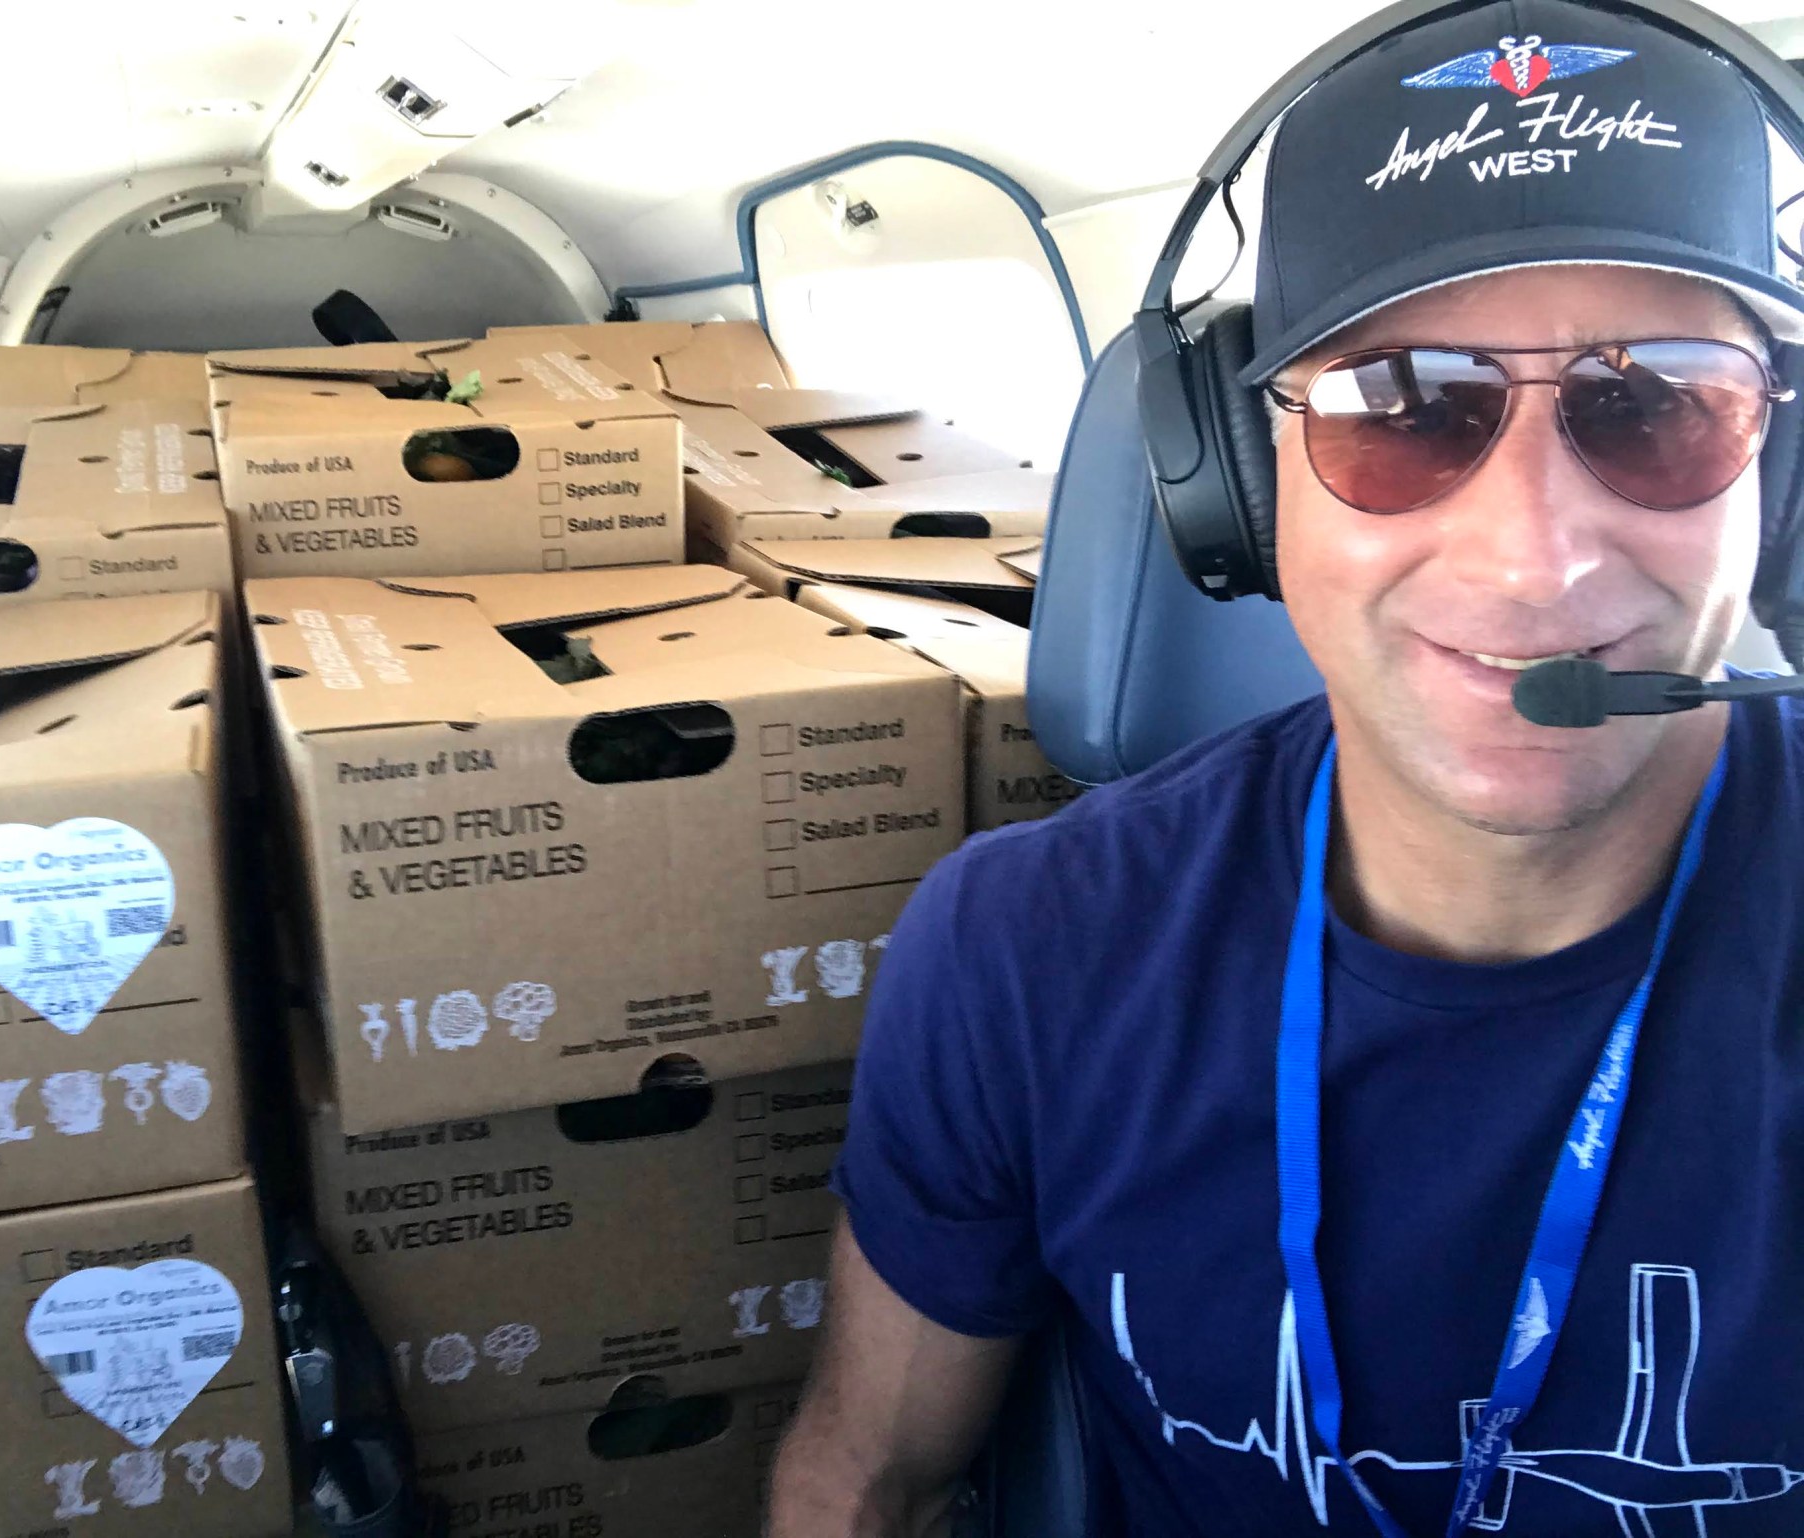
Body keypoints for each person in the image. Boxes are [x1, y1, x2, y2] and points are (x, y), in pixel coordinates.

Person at [768, 3, 1804, 1535]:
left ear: (1776, 480)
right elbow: (870, 1481)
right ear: (1236, 487)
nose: (1534, 554)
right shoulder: (1026, 950)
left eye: (1653, 403)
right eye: (1402, 406)